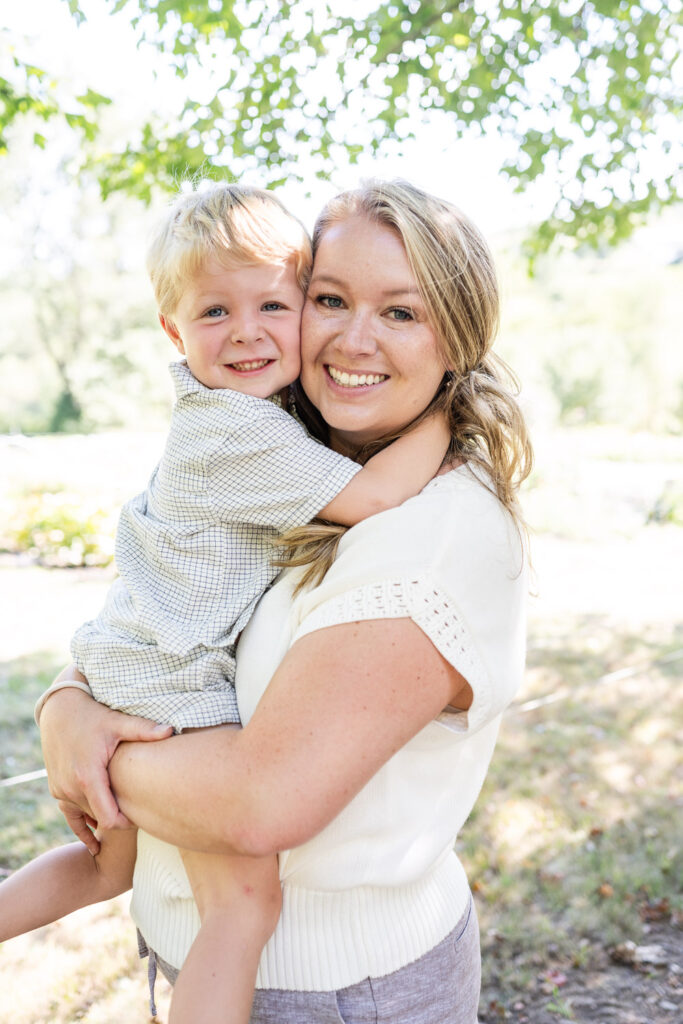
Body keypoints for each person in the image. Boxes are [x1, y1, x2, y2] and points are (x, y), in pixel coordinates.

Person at [36, 179, 532, 1023]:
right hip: (211, 967)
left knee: (228, 901)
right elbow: (178, 603)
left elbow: (258, 804)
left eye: (401, 313)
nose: (353, 337)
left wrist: (85, 742)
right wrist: (67, 700)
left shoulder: (434, 536)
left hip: (334, 992)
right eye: (330, 298)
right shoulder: (284, 456)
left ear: (458, 336)